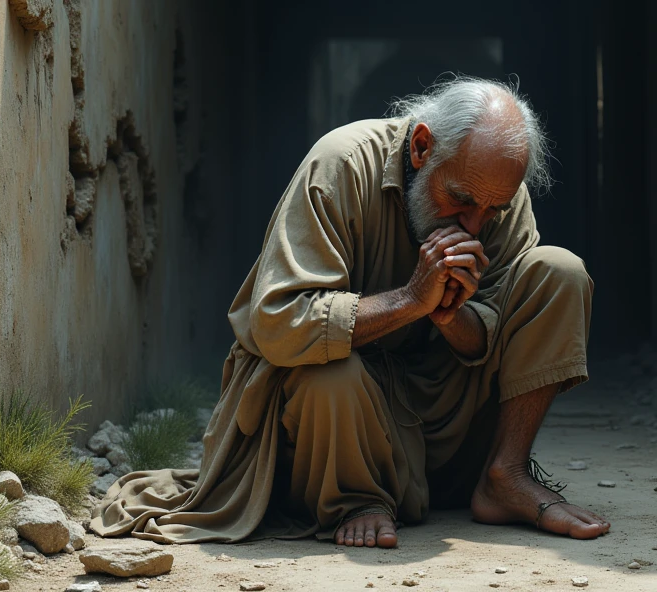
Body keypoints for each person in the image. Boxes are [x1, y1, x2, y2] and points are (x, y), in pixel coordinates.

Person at [91, 76, 609, 549]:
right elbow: (276, 322)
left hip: (445, 418)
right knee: (329, 373)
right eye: (460, 200)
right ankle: (358, 499)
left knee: (559, 271)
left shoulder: (496, 196)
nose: (474, 225)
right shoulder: (341, 165)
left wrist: (452, 318)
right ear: (423, 147)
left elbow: (497, 340)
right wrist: (410, 300)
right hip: (341, 423)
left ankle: (504, 475)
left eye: (491, 210)